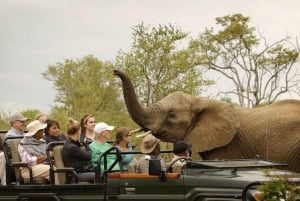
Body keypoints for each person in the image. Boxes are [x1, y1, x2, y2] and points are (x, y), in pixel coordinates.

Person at [62, 118, 95, 183]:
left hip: (79, 172)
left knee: (100, 172)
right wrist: (86, 144)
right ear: (78, 131)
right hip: (74, 176)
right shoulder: (72, 147)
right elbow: (89, 156)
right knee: (100, 175)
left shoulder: (71, 143)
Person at [0, 112, 28, 185]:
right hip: (15, 161)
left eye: (24, 121)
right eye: (21, 121)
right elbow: (18, 152)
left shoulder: (23, 134)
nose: (24, 123)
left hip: (24, 158)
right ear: (14, 123)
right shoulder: (10, 136)